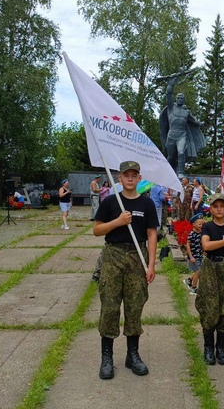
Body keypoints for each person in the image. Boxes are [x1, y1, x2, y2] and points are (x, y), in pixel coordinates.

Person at [94, 161, 158, 380]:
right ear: (119, 179)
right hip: (113, 256)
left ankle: (132, 355)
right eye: (126, 175)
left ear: (139, 178)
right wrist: (118, 221)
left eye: (134, 175)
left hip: (136, 257)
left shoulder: (147, 204)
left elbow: (151, 234)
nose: (130, 179)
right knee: (110, 306)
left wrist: (150, 264)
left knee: (134, 306)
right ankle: (107, 357)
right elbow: (97, 230)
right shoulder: (111, 202)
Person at [196, 193, 224, 366]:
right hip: (210, 269)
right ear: (211, 209)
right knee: (209, 307)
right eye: (216, 206)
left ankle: (220, 348)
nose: (219, 209)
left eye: (222, 206)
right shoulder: (208, 227)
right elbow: (206, 246)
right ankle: (208, 348)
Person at [158, 70, 206, 176]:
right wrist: (172, 82)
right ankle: (167, 172)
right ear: (176, 99)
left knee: (181, 153)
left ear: (183, 100)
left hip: (182, 135)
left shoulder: (186, 112)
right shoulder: (171, 107)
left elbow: (194, 121)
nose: (179, 99)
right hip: (171, 135)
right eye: (178, 98)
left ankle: (181, 172)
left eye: (181, 98)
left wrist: (200, 124)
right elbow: (168, 94)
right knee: (171, 156)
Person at [184, 213, 204, 295]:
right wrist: (191, 256)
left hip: (199, 255)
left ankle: (189, 280)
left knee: (199, 271)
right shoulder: (192, 234)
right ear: (194, 224)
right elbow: (188, 245)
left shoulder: (200, 233)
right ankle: (194, 288)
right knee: (198, 271)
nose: (201, 226)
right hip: (193, 256)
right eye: (199, 224)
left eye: (202, 224)